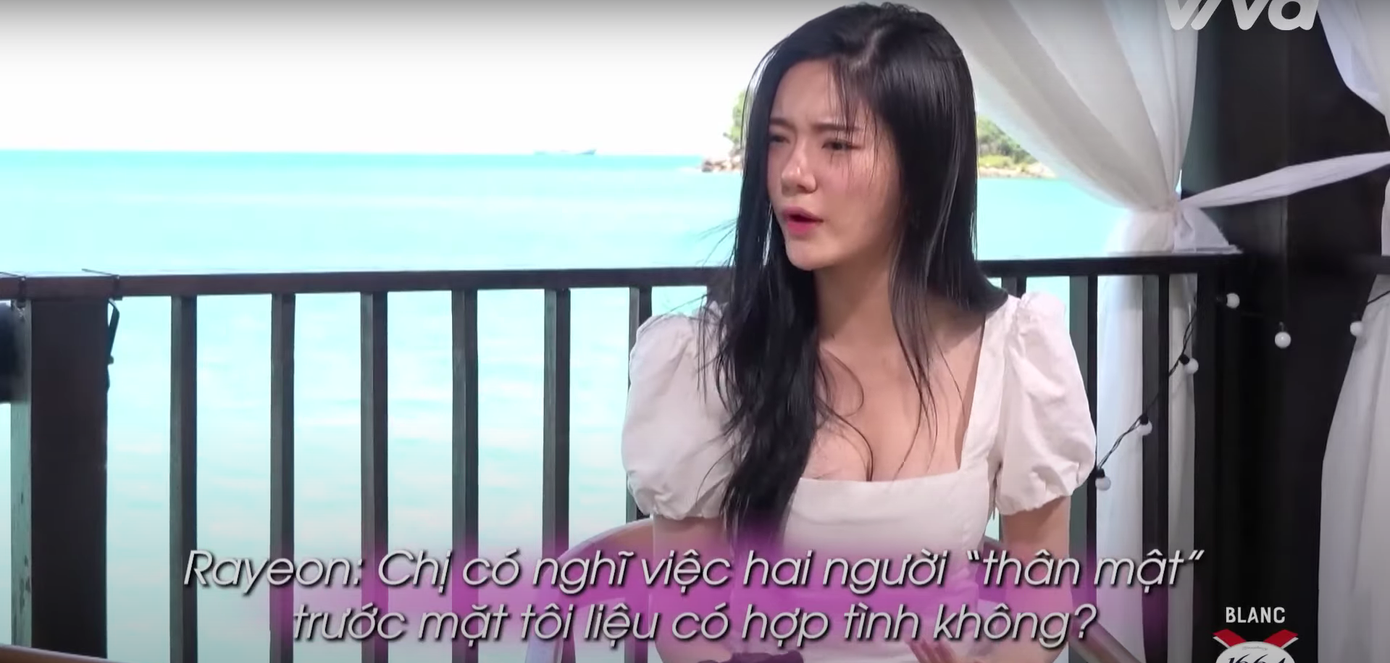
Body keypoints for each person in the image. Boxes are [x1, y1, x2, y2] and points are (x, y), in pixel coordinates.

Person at [621, 4, 1096, 662]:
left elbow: (1041, 607)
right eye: (779, 139)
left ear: (921, 171)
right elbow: (686, 619)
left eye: (836, 144)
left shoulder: (1015, 352)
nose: (794, 172)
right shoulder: (707, 360)